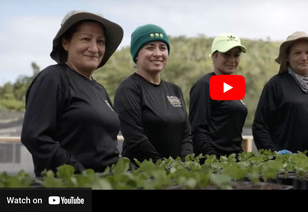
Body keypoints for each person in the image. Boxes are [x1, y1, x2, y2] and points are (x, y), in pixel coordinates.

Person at [21, 10, 124, 176]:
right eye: (86, 39)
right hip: (68, 186)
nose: (94, 48)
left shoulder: (99, 89)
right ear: (66, 43)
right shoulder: (53, 78)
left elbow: (105, 146)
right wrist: (79, 174)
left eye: (100, 41)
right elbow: (35, 137)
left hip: (106, 182)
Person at [114, 24, 192, 163]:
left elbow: (186, 134)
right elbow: (135, 138)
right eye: (150, 47)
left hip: (178, 174)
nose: (158, 53)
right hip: (141, 172)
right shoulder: (128, 89)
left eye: (163, 48)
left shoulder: (174, 90)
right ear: (137, 54)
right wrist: (163, 166)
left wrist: (185, 163)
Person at [189, 33, 248, 157]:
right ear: (214, 56)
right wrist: (214, 162)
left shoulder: (232, 86)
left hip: (234, 161)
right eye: (226, 54)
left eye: (236, 55)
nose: (232, 60)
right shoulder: (205, 85)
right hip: (214, 165)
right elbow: (198, 131)